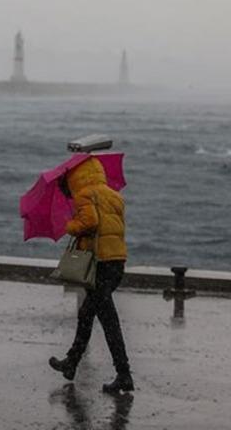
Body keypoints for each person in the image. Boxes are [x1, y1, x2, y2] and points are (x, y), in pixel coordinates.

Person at [49, 156, 134, 393]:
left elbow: (90, 221)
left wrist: (70, 226)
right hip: (116, 262)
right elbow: (113, 226)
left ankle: (124, 374)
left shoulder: (85, 195)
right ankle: (72, 363)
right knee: (87, 313)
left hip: (99, 264)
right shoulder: (113, 195)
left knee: (108, 320)